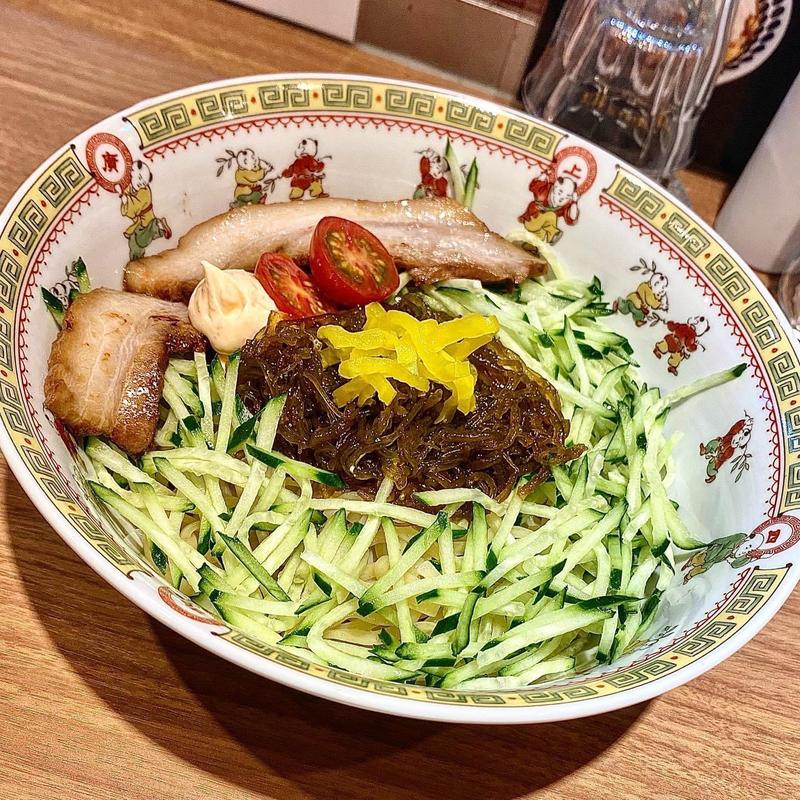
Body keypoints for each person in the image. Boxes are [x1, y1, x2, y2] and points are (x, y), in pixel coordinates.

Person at [120, 160, 171, 260]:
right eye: (137, 178)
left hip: (146, 221)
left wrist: (125, 200)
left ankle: (158, 227)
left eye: (142, 181)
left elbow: (134, 209)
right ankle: (159, 228)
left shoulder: (144, 192)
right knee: (136, 240)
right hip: (142, 221)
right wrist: (124, 197)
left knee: (140, 241)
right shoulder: (132, 188)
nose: (140, 183)